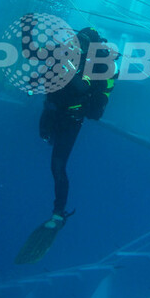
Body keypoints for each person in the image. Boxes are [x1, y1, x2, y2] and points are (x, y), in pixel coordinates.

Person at [37, 26, 116, 229]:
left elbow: (83, 86)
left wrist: (64, 67)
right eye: (78, 39)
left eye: (84, 42)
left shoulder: (96, 64)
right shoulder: (67, 51)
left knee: (57, 165)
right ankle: (50, 137)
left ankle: (58, 213)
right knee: (45, 137)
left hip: (71, 119)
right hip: (53, 111)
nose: (79, 45)